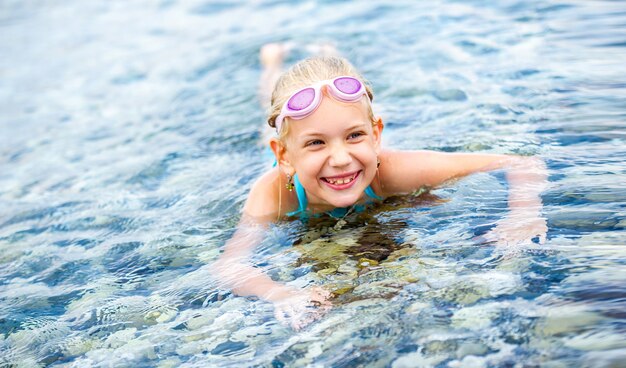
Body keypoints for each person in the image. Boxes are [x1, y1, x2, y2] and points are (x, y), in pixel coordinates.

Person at [214, 43, 548, 330]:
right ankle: (271, 63)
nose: (341, 158)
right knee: (266, 110)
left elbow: (520, 163)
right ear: (285, 156)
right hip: (288, 167)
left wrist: (523, 215)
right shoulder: (274, 193)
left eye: (354, 135)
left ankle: (329, 54)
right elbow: (230, 265)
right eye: (316, 143)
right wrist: (282, 292)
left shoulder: (393, 170)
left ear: (376, 136)